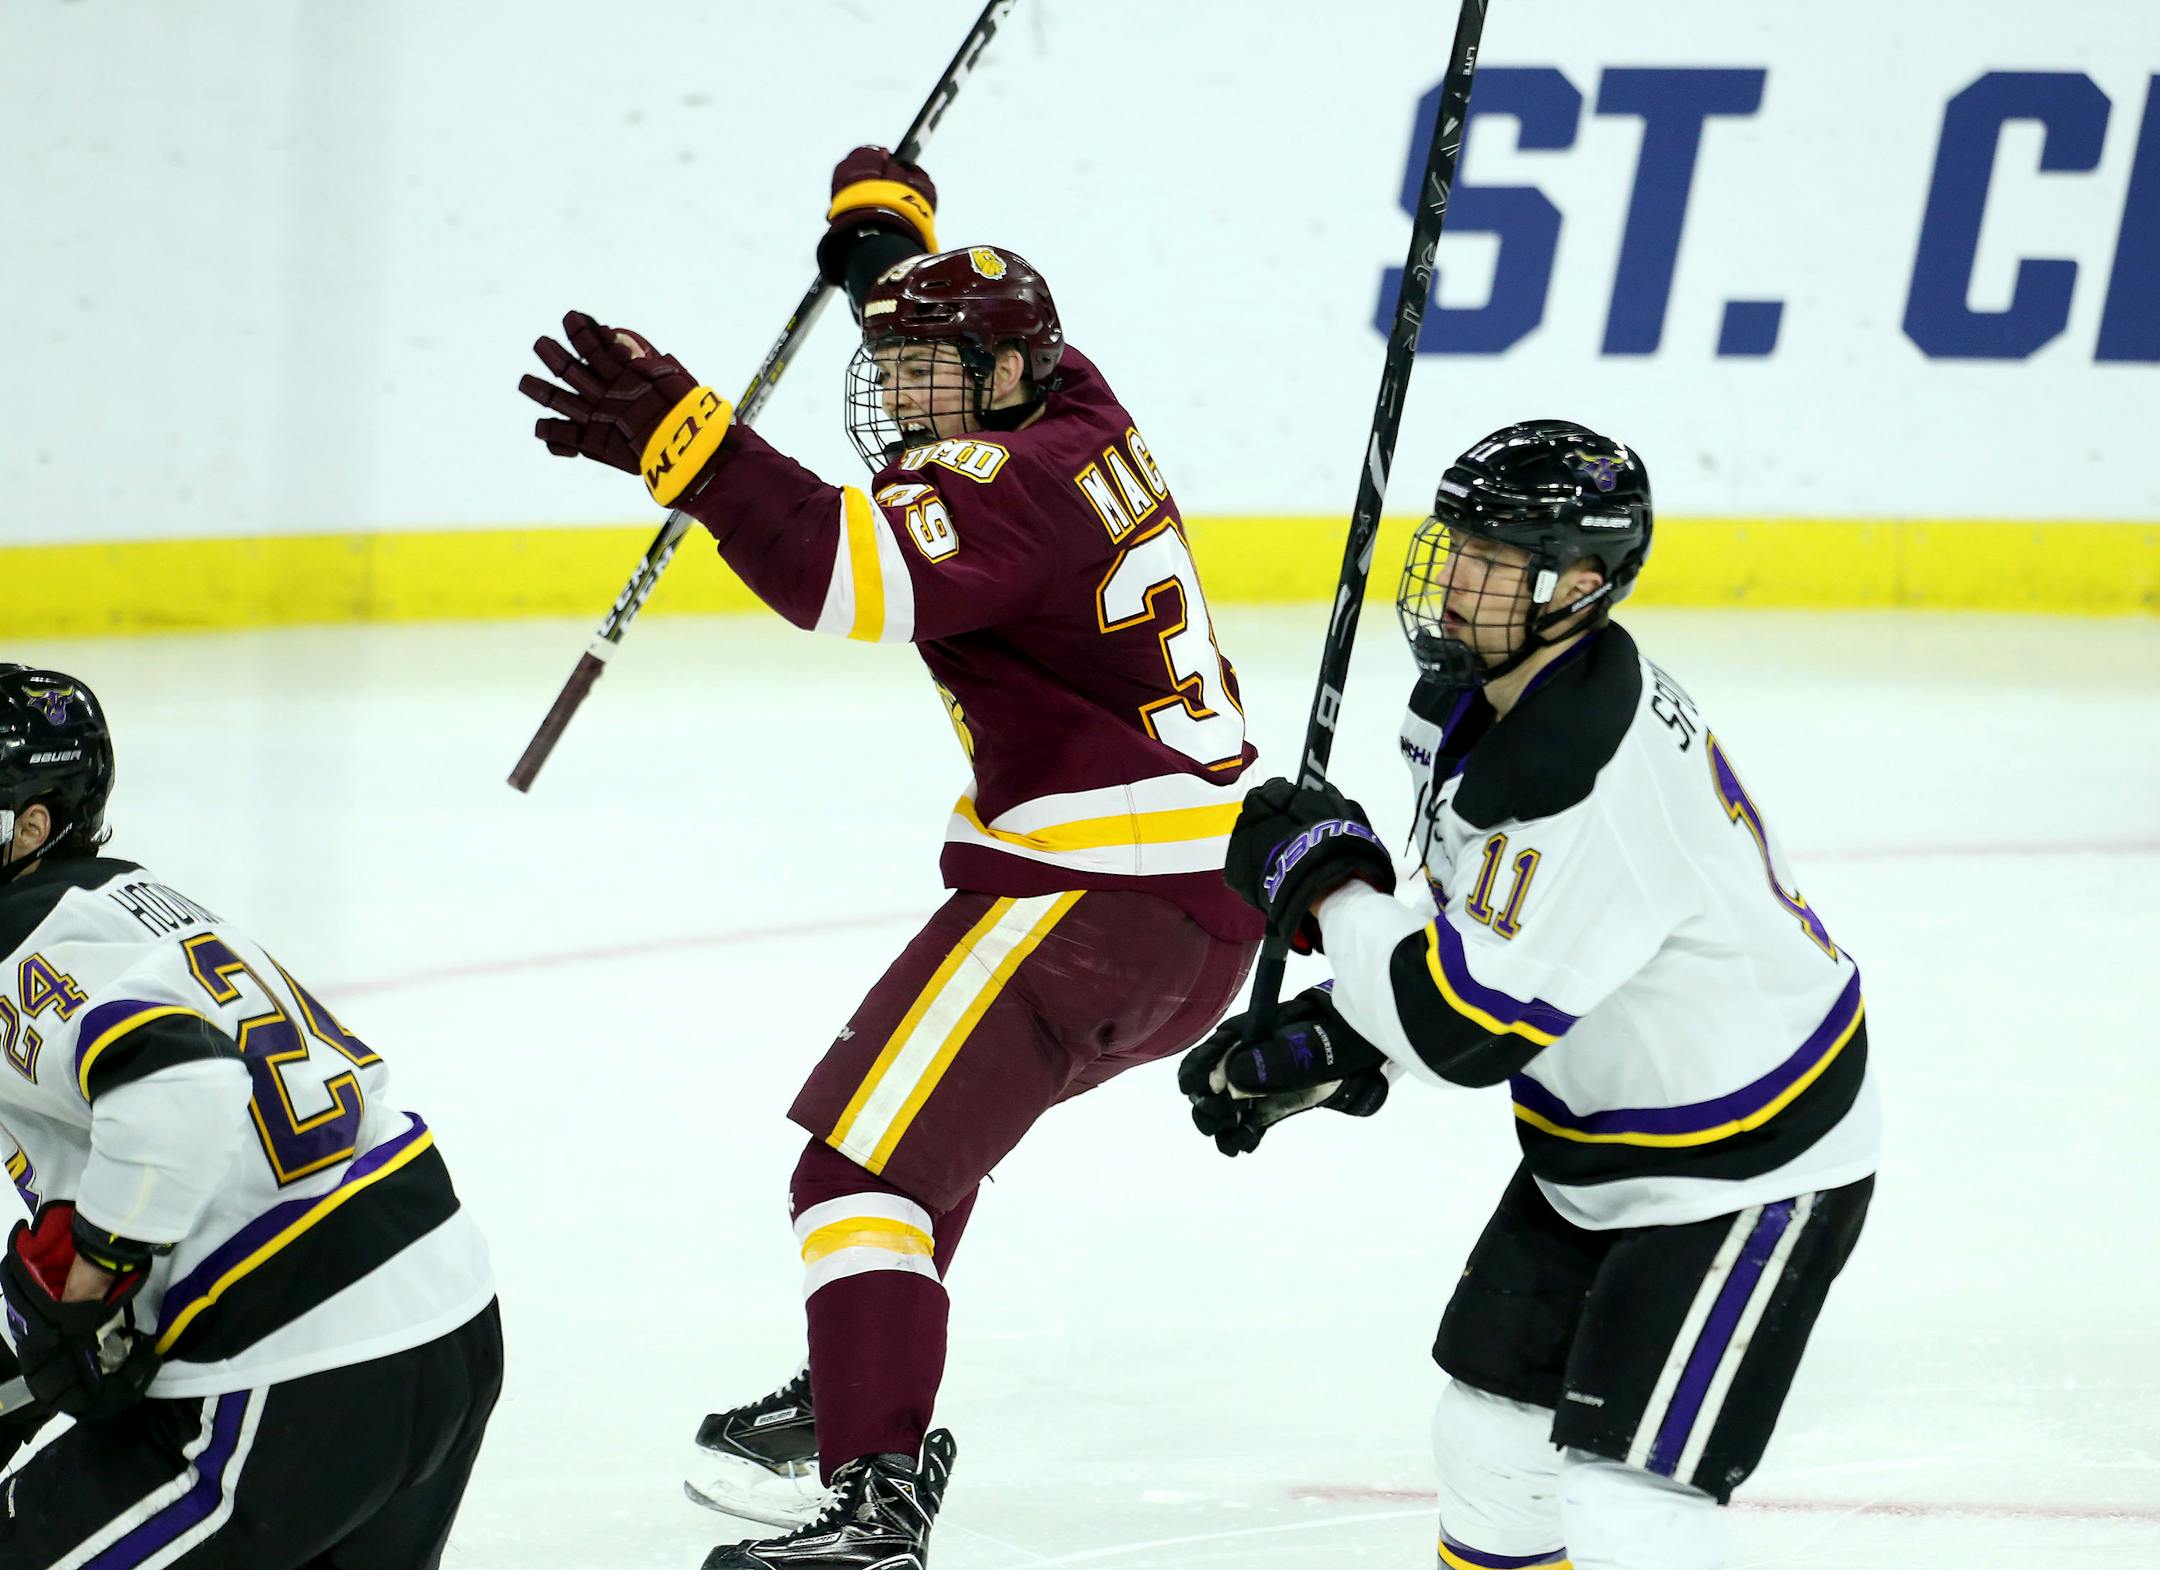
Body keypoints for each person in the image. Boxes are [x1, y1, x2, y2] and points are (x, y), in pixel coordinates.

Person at [520, 146, 1262, 1570]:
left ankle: (874, 1495)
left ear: (999, 388)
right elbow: (962, 335)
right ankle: (868, 1361)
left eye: (927, 375)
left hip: (1086, 898)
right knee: (918, 1156)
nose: (899, 397)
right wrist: (891, 242)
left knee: (853, 1176)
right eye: (897, 363)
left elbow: (843, 579)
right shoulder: (1079, 404)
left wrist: (692, 441)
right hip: (1188, 914)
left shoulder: (1001, 484)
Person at [1180, 421, 1880, 1570]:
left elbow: (1466, 1031)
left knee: (1627, 1503)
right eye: (1454, 544)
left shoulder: (1586, 777)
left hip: (1751, 1161)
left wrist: (1333, 890)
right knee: (1491, 1442)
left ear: (1584, 585)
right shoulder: (1461, 707)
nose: (1456, 579)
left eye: (1496, 560)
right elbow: (1476, 947)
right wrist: (1344, 1029)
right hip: (1602, 1141)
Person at [0, 665, 501, 1569]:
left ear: (31, 825)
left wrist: (101, 1269)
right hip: (439, 1304)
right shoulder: (126, 903)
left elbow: (178, 1088)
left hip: (299, 1366)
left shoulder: (20, 951)